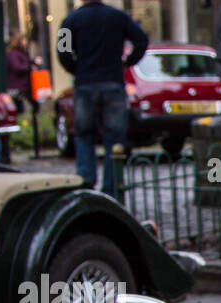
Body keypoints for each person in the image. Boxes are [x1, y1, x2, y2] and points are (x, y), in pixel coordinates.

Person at [57, 0, 148, 197]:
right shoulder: (118, 16)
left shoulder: (71, 19)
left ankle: (86, 181)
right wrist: (127, 62)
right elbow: (141, 40)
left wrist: (77, 69)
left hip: (85, 83)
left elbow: (62, 50)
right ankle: (112, 187)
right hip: (113, 82)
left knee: (83, 134)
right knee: (114, 138)